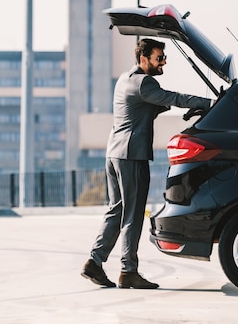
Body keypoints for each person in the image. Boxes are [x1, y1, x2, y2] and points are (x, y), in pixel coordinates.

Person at [81, 37, 214, 289]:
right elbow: (173, 96)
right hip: (131, 156)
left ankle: (94, 262)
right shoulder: (145, 82)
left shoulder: (125, 79)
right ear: (143, 59)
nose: (163, 62)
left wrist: (169, 105)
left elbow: (148, 106)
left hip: (114, 153)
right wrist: (209, 103)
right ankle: (128, 271)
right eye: (158, 58)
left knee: (116, 211)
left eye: (164, 57)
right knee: (132, 215)